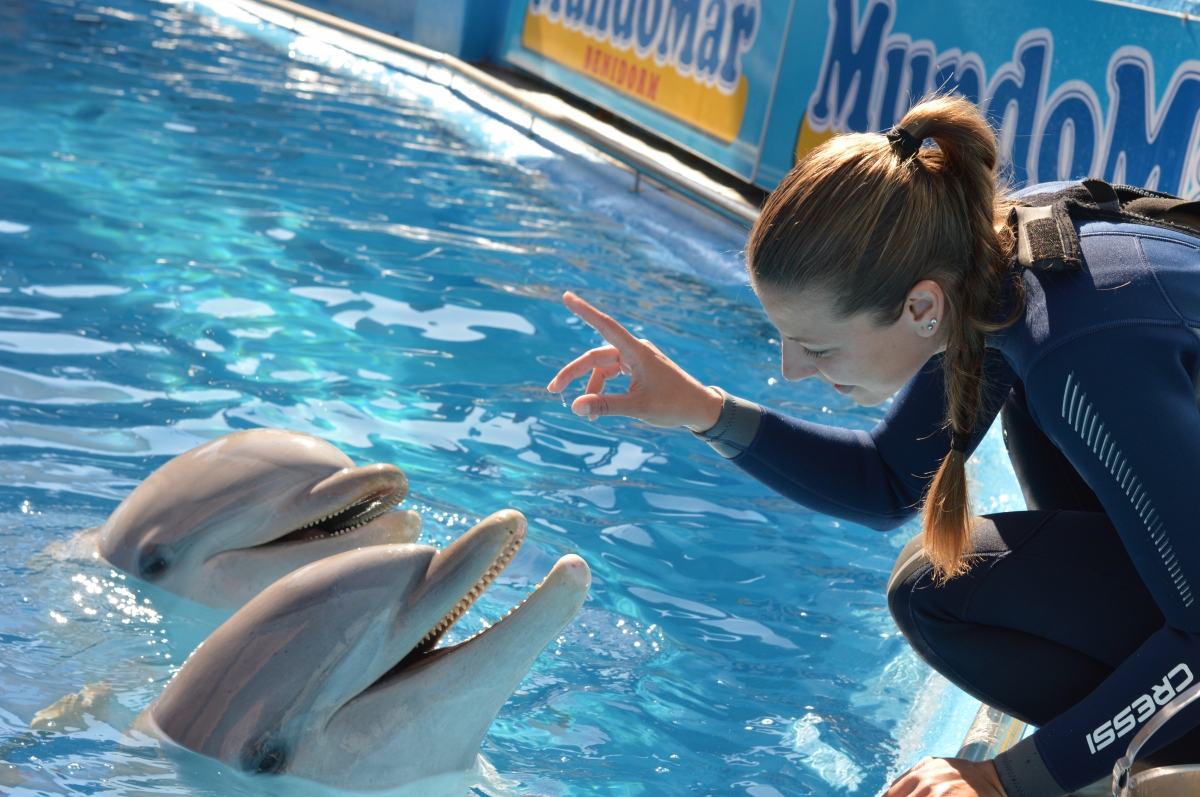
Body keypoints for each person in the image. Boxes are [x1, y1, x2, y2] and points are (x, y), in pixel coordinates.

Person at [545, 93, 1200, 797]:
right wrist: (701, 410)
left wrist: (1008, 779)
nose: (792, 370)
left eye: (818, 346)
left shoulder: (1079, 352)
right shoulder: (1000, 259)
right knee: (960, 551)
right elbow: (890, 478)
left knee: (942, 592)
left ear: (920, 307)